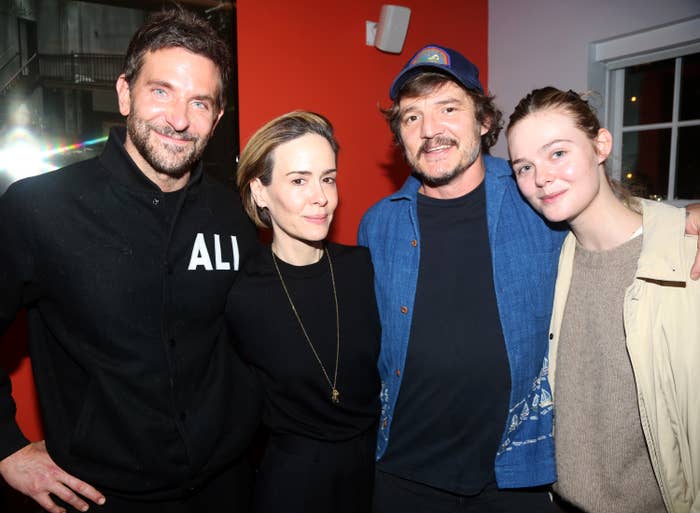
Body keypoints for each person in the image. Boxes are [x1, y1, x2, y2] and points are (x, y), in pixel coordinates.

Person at [358, 44, 700, 512]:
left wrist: (680, 222)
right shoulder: (378, 224)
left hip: (517, 476)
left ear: (482, 120)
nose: (430, 129)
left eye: (448, 108)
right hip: (405, 472)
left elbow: (608, 216)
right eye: (412, 116)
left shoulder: (534, 197)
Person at [0, 9, 260, 513]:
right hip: (101, 497)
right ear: (125, 93)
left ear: (218, 117)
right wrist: (5, 446)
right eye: (161, 91)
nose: (180, 119)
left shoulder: (236, 216)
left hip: (227, 489)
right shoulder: (39, 208)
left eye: (199, 102)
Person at [506, 86, 699, 513]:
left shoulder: (686, 261)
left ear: (601, 145)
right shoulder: (551, 260)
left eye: (557, 153)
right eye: (524, 167)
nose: (541, 178)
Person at [230, 110, 381, 512]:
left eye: (328, 178)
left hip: (378, 474)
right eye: (299, 180)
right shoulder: (239, 292)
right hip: (292, 485)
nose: (322, 197)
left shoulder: (366, 268)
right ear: (260, 192)